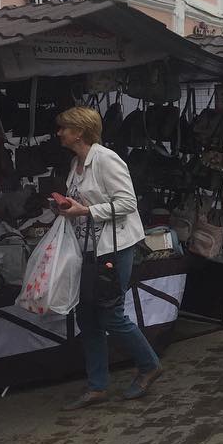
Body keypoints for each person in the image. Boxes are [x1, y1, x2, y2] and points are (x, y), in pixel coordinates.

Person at [55, 107, 161, 410]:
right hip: (87, 248)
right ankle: (97, 385)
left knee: (111, 313)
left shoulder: (105, 159)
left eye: (64, 127)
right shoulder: (76, 163)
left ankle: (149, 364)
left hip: (114, 247)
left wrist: (86, 211)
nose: (59, 132)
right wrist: (66, 207)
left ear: (79, 132)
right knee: (87, 316)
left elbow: (127, 202)